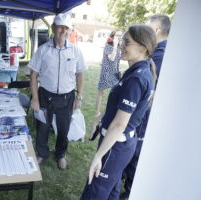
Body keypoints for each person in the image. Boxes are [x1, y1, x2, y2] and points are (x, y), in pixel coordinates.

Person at [80, 24, 157, 200]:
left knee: (95, 192)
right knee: (112, 190)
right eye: (122, 42)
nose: (121, 46)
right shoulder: (138, 72)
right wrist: (102, 119)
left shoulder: (137, 77)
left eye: (127, 43)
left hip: (116, 144)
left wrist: (98, 157)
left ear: (143, 48)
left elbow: (120, 124)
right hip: (120, 143)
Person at [120, 14, 171, 200]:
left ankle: (128, 193)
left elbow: (144, 87)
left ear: (156, 31)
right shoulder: (166, 53)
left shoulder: (158, 56)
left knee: (134, 159)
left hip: (143, 117)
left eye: (147, 28)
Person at [29, 13, 87, 170]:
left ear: (70, 30)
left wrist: (79, 96)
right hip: (45, 96)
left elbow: (80, 74)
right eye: (60, 27)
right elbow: (33, 76)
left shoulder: (76, 51)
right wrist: (35, 99)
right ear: (53, 28)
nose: (63, 31)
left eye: (66, 28)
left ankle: (60, 154)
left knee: (63, 129)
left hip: (67, 97)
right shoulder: (42, 50)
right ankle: (41, 153)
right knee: (42, 128)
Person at [95, 30, 123, 117]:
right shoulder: (109, 45)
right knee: (101, 92)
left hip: (115, 71)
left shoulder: (119, 46)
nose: (119, 37)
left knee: (116, 92)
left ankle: (112, 111)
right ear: (113, 36)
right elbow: (111, 58)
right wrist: (115, 45)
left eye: (121, 36)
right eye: (117, 35)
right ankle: (97, 111)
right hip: (106, 72)